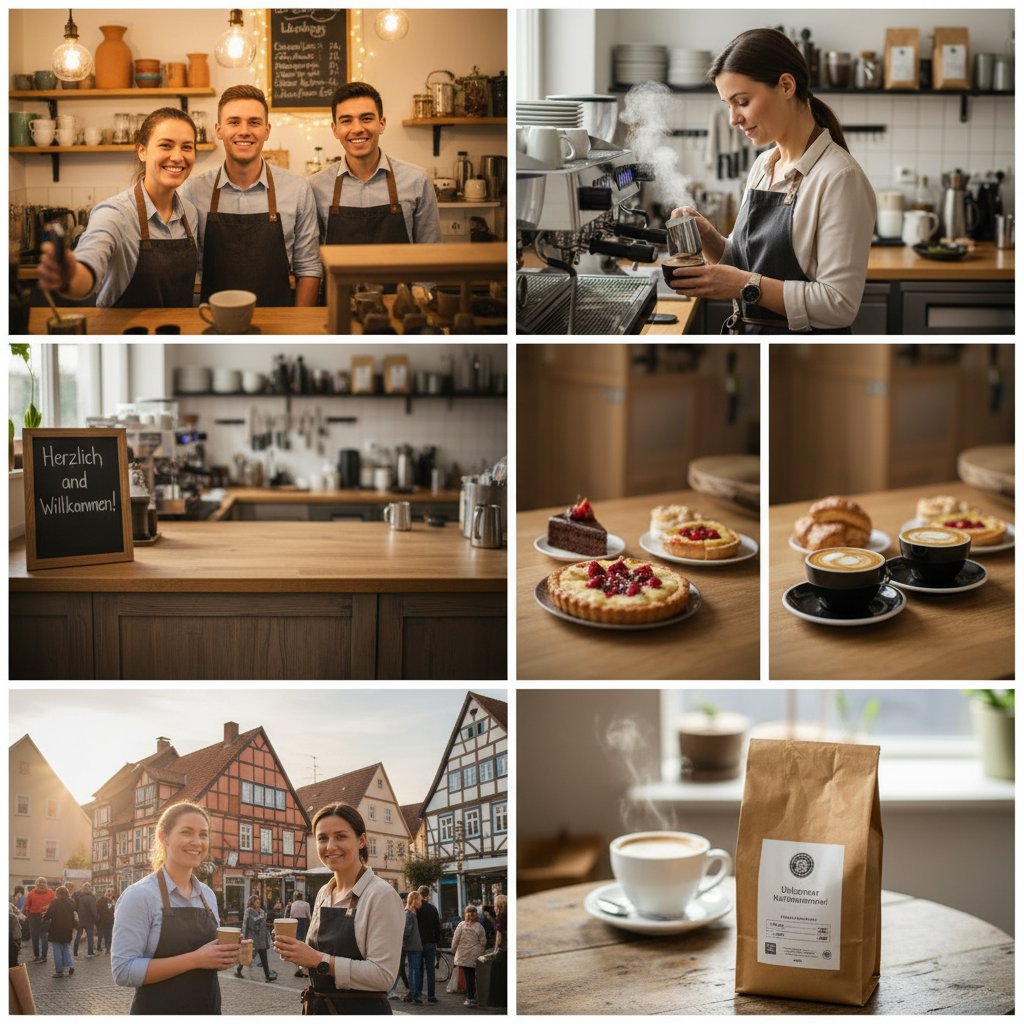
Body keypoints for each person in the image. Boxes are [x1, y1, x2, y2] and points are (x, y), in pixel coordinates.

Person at [665, 28, 875, 334]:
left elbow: (838, 306)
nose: (733, 119)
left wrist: (744, 285)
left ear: (786, 86)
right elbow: (746, 266)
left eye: (743, 101)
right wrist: (709, 237)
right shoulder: (764, 165)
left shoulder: (839, 177)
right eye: (728, 105)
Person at [37, 107, 200, 308]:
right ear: (142, 151)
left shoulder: (190, 213)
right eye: (166, 145)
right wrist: (69, 275)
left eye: (187, 147)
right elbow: (89, 262)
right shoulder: (114, 213)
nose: (177, 156)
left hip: (177, 334)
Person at [178, 84, 321, 307]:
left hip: (280, 327)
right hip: (215, 325)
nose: (244, 131)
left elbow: (309, 267)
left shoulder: (297, 189)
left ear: (266, 130)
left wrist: (298, 331)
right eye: (234, 122)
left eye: (254, 122)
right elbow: (182, 270)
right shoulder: (193, 192)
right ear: (218, 130)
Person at [273, 802, 404, 1014]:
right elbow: (316, 963)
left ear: (361, 841)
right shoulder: (325, 893)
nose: (330, 846)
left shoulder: (381, 895)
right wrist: (298, 955)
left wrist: (317, 959)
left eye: (340, 836)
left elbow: (384, 977)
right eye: (322, 838)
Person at [111, 801, 239, 1013]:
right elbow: (123, 971)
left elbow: (208, 957)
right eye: (187, 832)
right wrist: (195, 959)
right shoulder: (140, 896)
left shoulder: (207, 895)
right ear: (164, 837)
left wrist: (226, 954)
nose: (197, 842)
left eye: (203, 834)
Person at [310, 82, 442, 248]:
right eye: (346, 121)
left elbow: (431, 254)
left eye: (366, 119)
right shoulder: (316, 187)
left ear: (381, 124)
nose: (357, 129)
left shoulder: (417, 181)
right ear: (335, 130)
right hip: (340, 276)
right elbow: (311, 260)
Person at [388, 893, 422, 1004]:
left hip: (411, 945)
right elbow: (406, 930)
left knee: (409, 969)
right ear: (415, 900)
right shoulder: (409, 914)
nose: (421, 903)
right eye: (419, 900)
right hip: (411, 945)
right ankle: (413, 994)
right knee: (411, 970)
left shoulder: (412, 913)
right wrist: (403, 941)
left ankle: (414, 993)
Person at [451, 905, 486, 1008]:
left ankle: (470, 997)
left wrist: (454, 950)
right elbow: (483, 942)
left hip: (463, 955)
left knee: (468, 977)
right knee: (472, 976)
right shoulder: (479, 926)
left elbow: (455, 940)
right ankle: (473, 996)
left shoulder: (461, 925)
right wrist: (479, 951)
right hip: (474, 955)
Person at [238, 895, 277, 983]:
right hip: (254, 938)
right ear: (252, 902)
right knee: (249, 955)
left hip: (262, 938)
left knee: (264, 957)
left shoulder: (260, 911)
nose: (258, 904)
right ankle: (238, 969)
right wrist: (242, 935)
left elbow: (265, 919)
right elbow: (248, 923)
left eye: (259, 902)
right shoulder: (248, 911)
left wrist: (261, 914)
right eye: (257, 902)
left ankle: (267, 975)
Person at [415, 885, 441, 1004]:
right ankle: (431, 995)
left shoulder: (416, 909)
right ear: (428, 895)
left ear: (419, 894)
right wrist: (437, 941)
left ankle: (418, 994)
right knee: (430, 970)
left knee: (418, 969)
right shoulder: (432, 909)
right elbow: (437, 927)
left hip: (418, 943)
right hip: (430, 943)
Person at [43, 886, 76, 979]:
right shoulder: (71, 902)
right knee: (65, 947)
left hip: (56, 928)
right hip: (68, 928)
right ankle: (70, 965)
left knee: (57, 949)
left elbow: (49, 914)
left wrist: (45, 918)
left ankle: (59, 971)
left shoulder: (55, 902)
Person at [24, 876, 55, 964]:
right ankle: (44, 956)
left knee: (35, 937)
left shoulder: (32, 893)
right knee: (44, 936)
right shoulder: (50, 893)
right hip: (45, 916)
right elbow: (54, 905)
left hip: (34, 917)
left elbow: (27, 905)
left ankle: (36, 956)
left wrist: (26, 914)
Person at [74, 882, 97, 958]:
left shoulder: (79, 897)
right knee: (90, 936)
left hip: (81, 919)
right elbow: (93, 910)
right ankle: (90, 952)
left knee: (78, 935)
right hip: (89, 920)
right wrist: (96, 919)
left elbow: (75, 908)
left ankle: (75, 951)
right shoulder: (91, 898)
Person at [97, 889, 115, 955]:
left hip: (108, 920)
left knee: (107, 934)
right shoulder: (101, 901)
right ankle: (102, 947)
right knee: (102, 934)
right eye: (107, 893)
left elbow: (112, 910)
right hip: (103, 920)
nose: (109, 894)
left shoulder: (108, 901)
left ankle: (106, 948)